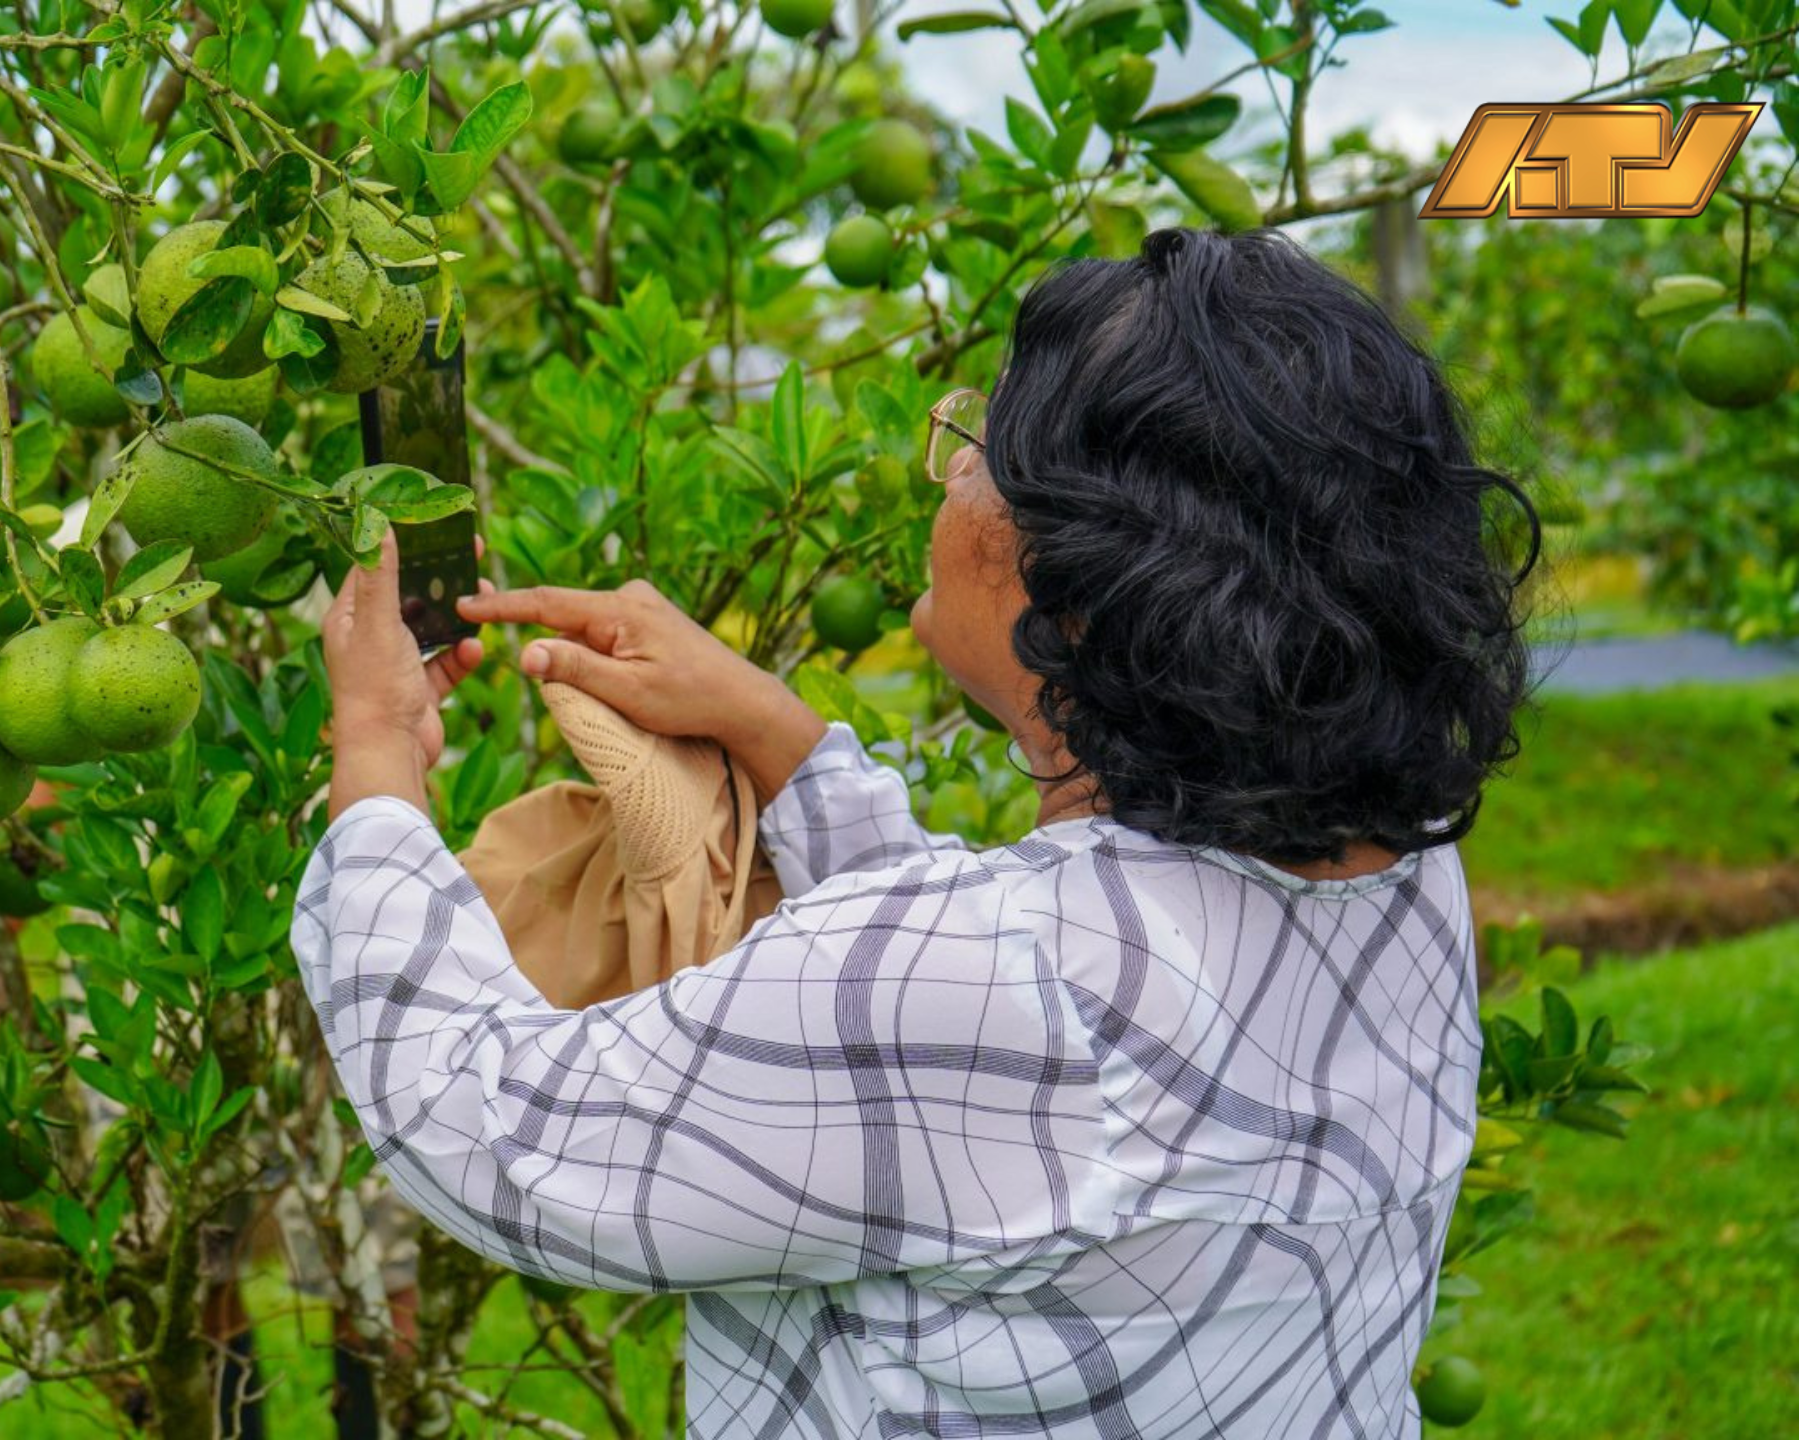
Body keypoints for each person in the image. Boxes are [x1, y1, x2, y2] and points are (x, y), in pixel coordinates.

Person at [298, 227, 1536, 1437]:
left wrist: (374, 751)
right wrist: (782, 739)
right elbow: (989, 1079)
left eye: (976, 450)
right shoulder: (1406, 868)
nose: (945, 474)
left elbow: (489, 1123)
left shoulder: (995, 991)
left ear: (1092, 583)